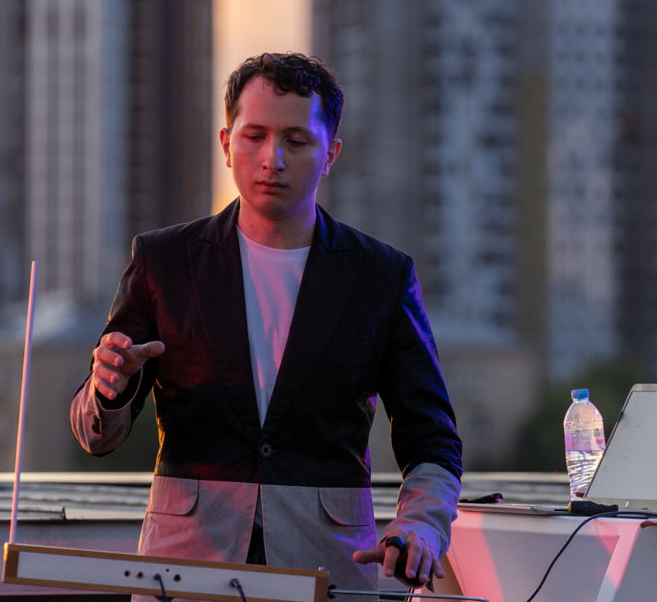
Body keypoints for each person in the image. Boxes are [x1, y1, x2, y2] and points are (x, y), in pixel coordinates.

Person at [70, 52, 462, 594]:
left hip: (328, 565)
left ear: (331, 154)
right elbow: (94, 435)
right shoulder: (164, 261)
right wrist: (108, 391)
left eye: (296, 141)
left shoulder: (380, 275)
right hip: (186, 566)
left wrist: (421, 524)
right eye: (254, 137)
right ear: (226, 143)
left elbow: (433, 438)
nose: (271, 159)